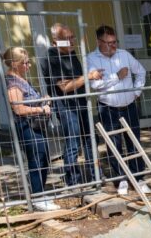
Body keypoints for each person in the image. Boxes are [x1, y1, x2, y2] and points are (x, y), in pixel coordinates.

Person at [85, 24, 149, 196]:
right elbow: (95, 84)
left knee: (134, 142)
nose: (113, 46)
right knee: (114, 145)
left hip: (129, 106)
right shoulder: (91, 59)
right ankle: (121, 179)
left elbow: (141, 71)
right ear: (99, 42)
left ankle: (139, 177)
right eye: (108, 43)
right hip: (108, 108)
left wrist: (136, 92)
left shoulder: (124, 55)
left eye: (114, 42)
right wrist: (116, 77)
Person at [39, 22, 103, 187]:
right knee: (73, 143)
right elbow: (65, 87)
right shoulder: (50, 58)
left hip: (81, 102)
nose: (72, 41)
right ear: (55, 41)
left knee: (91, 139)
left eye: (72, 37)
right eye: (67, 39)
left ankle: (96, 175)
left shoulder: (71, 52)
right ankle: (73, 182)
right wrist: (88, 76)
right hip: (66, 106)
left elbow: (77, 80)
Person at [2, 46, 59, 212]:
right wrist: (41, 109)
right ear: (14, 64)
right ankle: (38, 198)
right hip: (27, 127)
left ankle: (39, 192)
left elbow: (29, 101)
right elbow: (18, 109)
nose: (29, 65)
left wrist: (42, 100)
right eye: (25, 63)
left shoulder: (22, 79)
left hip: (36, 124)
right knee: (36, 160)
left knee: (44, 157)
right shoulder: (13, 83)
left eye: (29, 62)